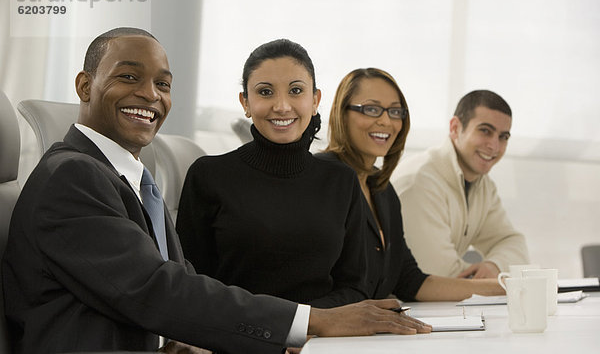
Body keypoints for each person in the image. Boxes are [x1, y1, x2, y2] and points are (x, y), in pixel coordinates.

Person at [1, 28, 431, 354]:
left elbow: (170, 282)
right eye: (129, 77)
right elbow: (158, 289)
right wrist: (313, 320)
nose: (149, 95)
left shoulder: (123, 178)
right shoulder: (72, 176)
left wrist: (181, 340)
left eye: (163, 84)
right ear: (83, 87)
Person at [177, 39, 368, 309]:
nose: (281, 106)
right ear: (245, 102)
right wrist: (279, 328)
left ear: (315, 100)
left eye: (296, 91)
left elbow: (355, 288)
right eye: (265, 92)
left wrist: (306, 325)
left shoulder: (340, 181)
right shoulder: (208, 176)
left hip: (319, 340)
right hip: (238, 339)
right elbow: (192, 286)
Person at [322, 67, 504, 301]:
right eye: (372, 109)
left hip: (368, 333)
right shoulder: (323, 179)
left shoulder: (382, 188)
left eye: (395, 112)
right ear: (341, 113)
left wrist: (507, 286)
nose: (386, 121)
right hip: (324, 334)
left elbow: (411, 281)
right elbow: (308, 287)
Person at [393, 89, 529, 278]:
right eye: (485, 131)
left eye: (503, 137)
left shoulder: (483, 185)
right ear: (455, 128)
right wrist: (491, 280)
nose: (494, 146)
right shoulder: (419, 182)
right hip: (399, 305)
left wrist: (495, 266)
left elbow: (511, 242)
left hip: (440, 304)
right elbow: (437, 275)